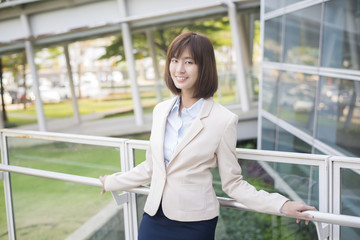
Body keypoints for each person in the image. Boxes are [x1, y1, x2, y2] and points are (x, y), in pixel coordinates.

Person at [99, 32, 316, 240]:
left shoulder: (223, 120)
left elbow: (233, 183)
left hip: (194, 224)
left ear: (204, 67)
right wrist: (111, 181)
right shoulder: (161, 111)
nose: (179, 69)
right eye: (174, 60)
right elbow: (150, 168)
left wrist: (282, 205)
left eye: (189, 62)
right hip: (154, 217)